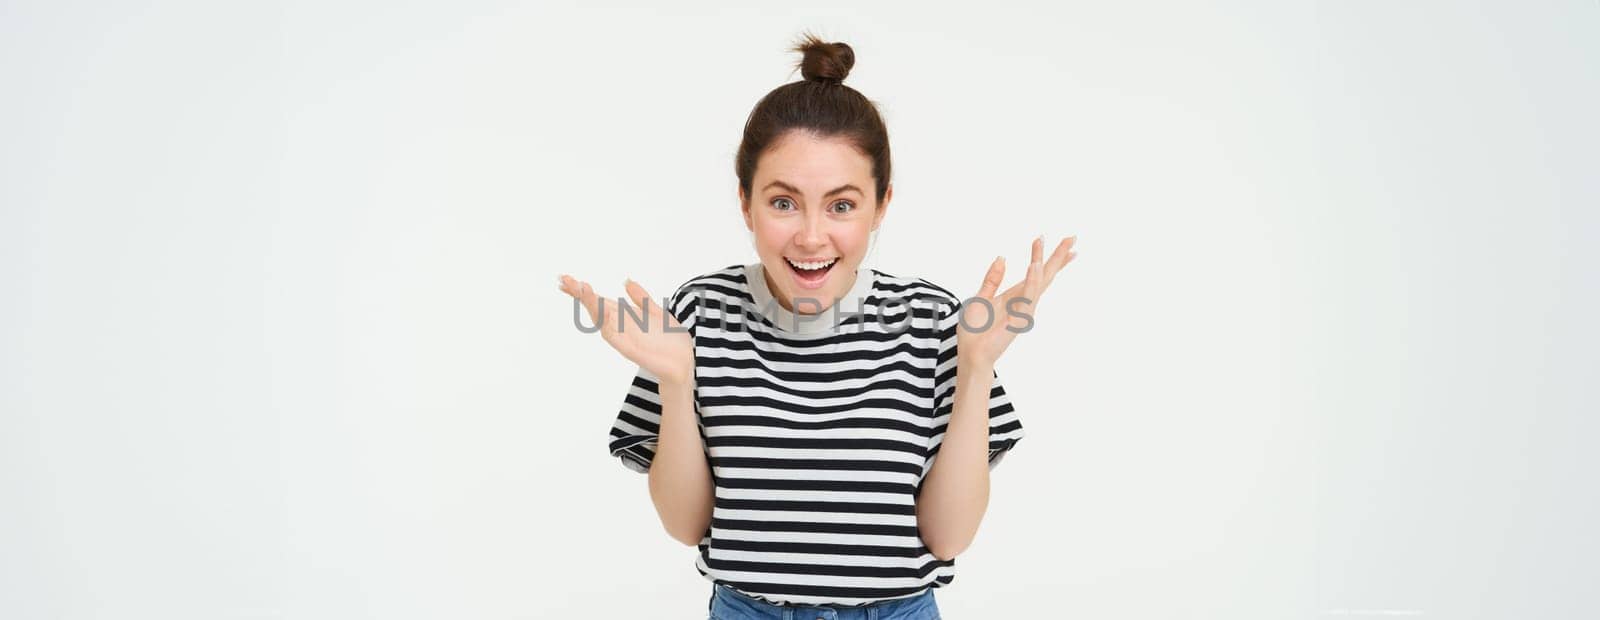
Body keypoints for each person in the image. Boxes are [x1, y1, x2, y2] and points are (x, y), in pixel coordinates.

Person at [558, 32, 1077, 620]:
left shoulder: (936, 322)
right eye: (783, 203)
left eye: (841, 205)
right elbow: (686, 526)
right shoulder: (696, 313)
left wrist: (977, 367)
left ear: (881, 205)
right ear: (745, 201)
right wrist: (678, 382)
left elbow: (947, 539)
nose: (810, 236)